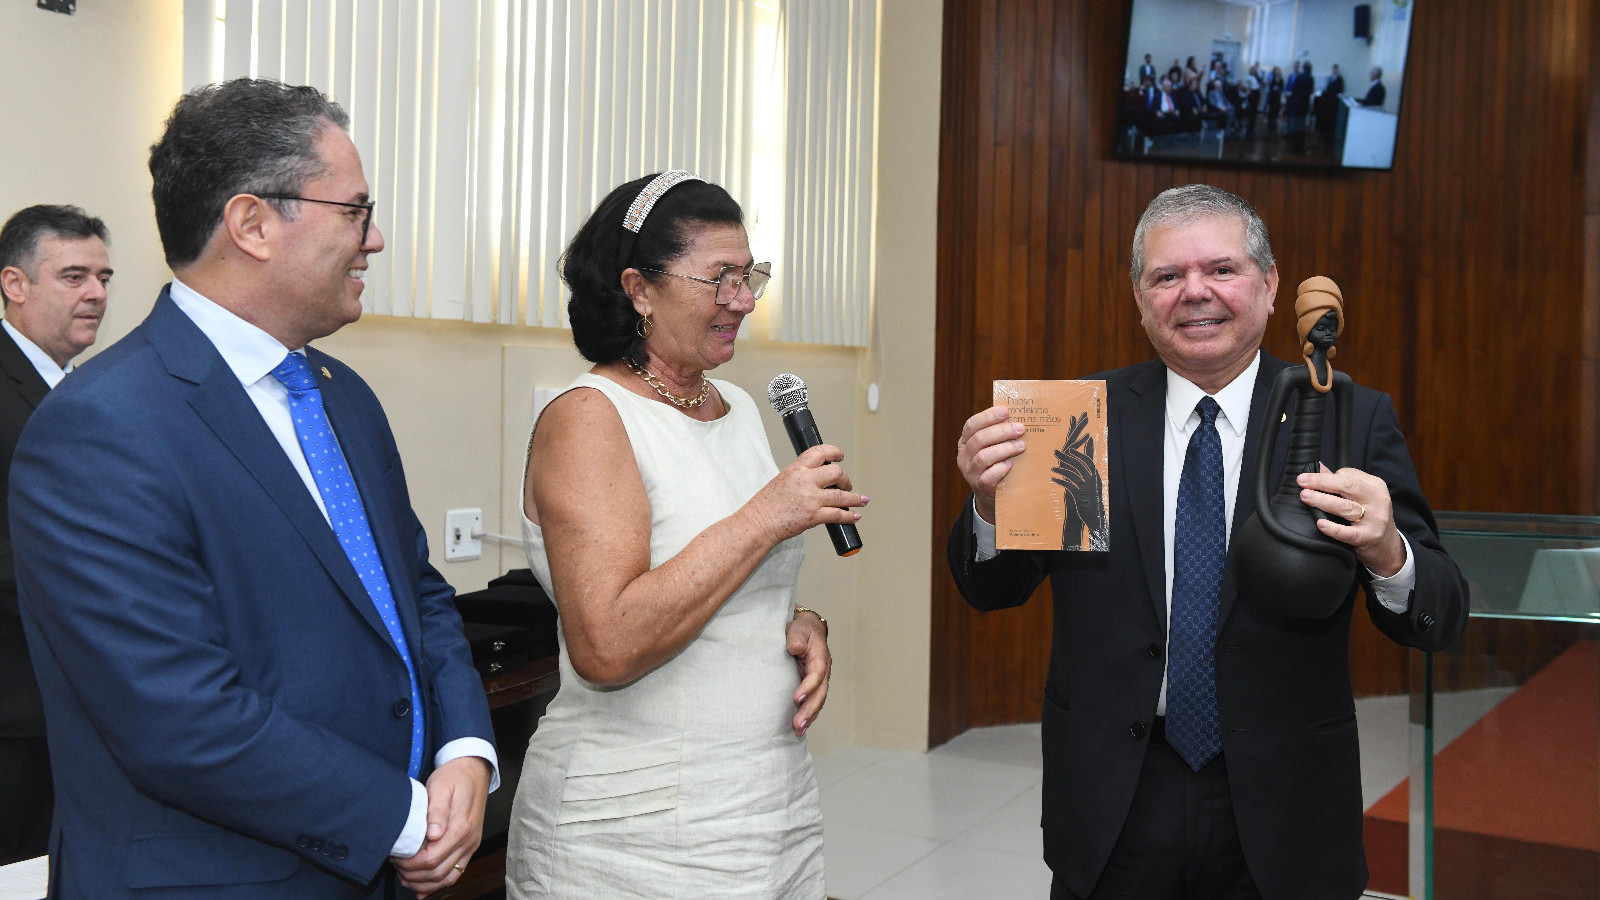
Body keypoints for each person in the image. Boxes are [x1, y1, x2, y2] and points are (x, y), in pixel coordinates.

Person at [10, 79, 496, 899]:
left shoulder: (342, 393)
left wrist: (466, 753)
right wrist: (407, 818)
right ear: (252, 223)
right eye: (354, 210)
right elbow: (178, 716)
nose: (373, 239)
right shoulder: (99, 427)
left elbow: (417, 596)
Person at [948, 184, 1467, 900]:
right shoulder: (1075, 419)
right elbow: (990, 591)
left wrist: (1388, 553)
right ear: (1139, 297)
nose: (1196, 293)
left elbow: (1441, 612)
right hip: (1114, 799)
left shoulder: (1345, 416)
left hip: (1284, 806)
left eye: (1221, 269)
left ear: (1269, 284)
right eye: (1168, 276)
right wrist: (986, 502)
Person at [505, 171, 862, 899]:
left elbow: (731, 580)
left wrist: (798, 623)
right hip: (635, 833)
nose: (744, 298)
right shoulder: (589, 417)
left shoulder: (732, 404)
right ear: (639, 288)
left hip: (766, 804)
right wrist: (770, 512)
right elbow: (608, 644)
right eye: (719, 277)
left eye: (750, 273)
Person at [0, 204, 111, 866]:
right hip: (12, 707)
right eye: (74, 275)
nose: (96, 292)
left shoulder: (89, 390)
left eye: (103, 275)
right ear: (15, 284)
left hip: (74, 702)